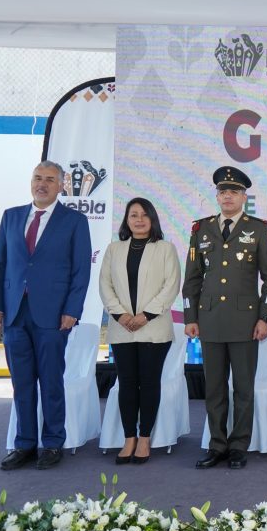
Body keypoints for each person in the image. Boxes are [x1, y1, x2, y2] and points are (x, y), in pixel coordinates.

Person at [0, 161, 92, 470]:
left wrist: (72, 310)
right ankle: (25, 444)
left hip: (53, 315)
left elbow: (80, 270)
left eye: (49, 179)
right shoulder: (11, 216)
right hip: (15, 315)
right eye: (37, 178)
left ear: (61, 186)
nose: (42, 184)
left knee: (50, 381)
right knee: (21, 383)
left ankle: (53, 443)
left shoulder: (74, 221)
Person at [182, 166, 267, 470]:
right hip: (209, 320)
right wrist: (190, 316)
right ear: (217, 195)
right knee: (213, 389)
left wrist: (265, 317)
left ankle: (239, 445)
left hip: (245, 323)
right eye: (223, 191)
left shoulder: (260, 230)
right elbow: (192, 279)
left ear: (243, 197)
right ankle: (217, 444)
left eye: (234, 191)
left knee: (242, 388)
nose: (228, 196)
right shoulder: (201, 229)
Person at [99, 197, 182, 464]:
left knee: (148, 383)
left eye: (144, 215)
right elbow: (105, 285)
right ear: (126, 219)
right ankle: (128, 439)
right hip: (122, 328)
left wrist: (145, 315)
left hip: (154, 328)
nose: (138, 219)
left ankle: (144, 438)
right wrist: (121, 315)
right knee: (126, 384)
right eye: (133, 214)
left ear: (153, 219)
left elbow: (171, 285)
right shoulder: (114, 249)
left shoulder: (165, 248)